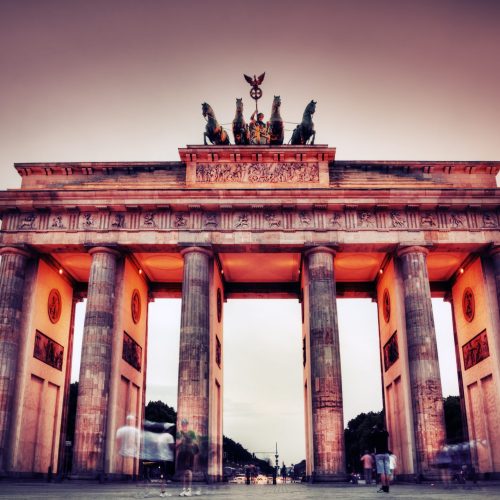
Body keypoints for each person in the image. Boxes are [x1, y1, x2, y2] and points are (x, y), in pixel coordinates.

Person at [176, 419, 199, 497]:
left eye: (185, 424)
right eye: (183, 424)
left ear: (187, 425)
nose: (184, 426)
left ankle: (189, 490)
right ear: (181, 425)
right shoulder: (179, 433)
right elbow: (176, 445)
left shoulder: (191, 433)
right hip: (182, 453)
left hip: (189, 454)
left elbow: (195, 443)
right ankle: (183, 490)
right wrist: (181, 442)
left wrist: (188, 440)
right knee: (183, 472)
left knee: (188, 471)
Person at [369, 424, 391, 493]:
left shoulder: (375, 434)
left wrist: (375, 429)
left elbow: (371, 436)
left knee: (382, 472)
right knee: (387, 471)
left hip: (379, 454)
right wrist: (381, 428)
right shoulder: (385, 433)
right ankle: (387, 487)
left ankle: (383, 487)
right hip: (386, 454)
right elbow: (386, 432)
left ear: (377, 428)